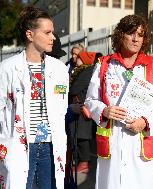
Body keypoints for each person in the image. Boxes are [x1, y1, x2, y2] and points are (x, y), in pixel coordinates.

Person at [84, 15, 153, 189]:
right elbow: (90, 99)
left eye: (140, 35)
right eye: (131, 33)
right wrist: (104, 111)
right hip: (112, 145)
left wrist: (146, 122)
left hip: (141, 145)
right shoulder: (104, 64)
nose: (135, 39)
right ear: (120, 35)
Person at [0, 6, 69, 189]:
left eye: (52, 32)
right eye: (47, 32)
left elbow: (61, 109)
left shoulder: (59, 69)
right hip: (20, 145)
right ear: (30, 35)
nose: (53, 37)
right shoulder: (7, 68)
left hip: (50, 147)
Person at [68, 51, 96, 174]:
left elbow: (75, 89)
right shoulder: (81, 70)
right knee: (79, 135)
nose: (76, 58)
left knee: (82, 136)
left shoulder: (86, 71)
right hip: (80, 106)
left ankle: (84, 163)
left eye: (78, 57)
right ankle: (81, 162)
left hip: (83, 107)